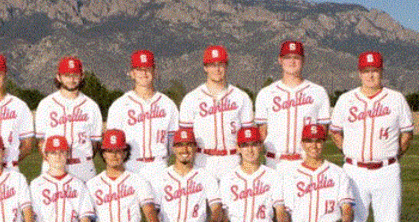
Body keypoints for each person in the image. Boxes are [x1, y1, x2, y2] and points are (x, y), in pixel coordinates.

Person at [329, 51, 413, 222]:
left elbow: (406, 135)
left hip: (387, 170)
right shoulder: (346, 99)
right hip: (354, 171)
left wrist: (391, 156)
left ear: (381, 71)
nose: (370, 75)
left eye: (374, 70)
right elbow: (335, 133)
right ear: (359, 73)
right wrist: (350, 153)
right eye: (366, 71)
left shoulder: (396, 99)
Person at [255, 41, 331, 175]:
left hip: (306, 161)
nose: (292, 61)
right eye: (287, 57)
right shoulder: (266, 93)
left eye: (296, 57)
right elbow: (262, 132)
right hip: (275, 162)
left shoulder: (318, 92)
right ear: (280, 60)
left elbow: (322, 132)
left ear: (303, 60)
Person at [179, 45, 254, 180]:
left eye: (221, 64)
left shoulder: (240, 97)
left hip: (233, 159)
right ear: (205, 68)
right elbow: (185, 138)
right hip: (203, 160)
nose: (217, 69)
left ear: (226, 66)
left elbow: (249, 135)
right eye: (212, 65)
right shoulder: (191, 98)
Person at [106, 49, 179, 182]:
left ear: (155, 72)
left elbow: (173, 142)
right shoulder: (119, 105)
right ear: (132, 73)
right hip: (130, 166)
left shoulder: (168, 104)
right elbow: (112, 145)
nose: (144, 73)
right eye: (139, 69)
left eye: (148, 69)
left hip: (159, 166)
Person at [34, 56, 102, 182]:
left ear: (82, 77)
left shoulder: (91, 106)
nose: (71, 79)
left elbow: (95, 143)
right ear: (58, 77)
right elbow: (41, 142)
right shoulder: (45, 104)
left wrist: (84, 157)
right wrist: (53, 163)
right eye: (67, 75)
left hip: (83, 168)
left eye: (75, 75)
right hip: (53, 167)